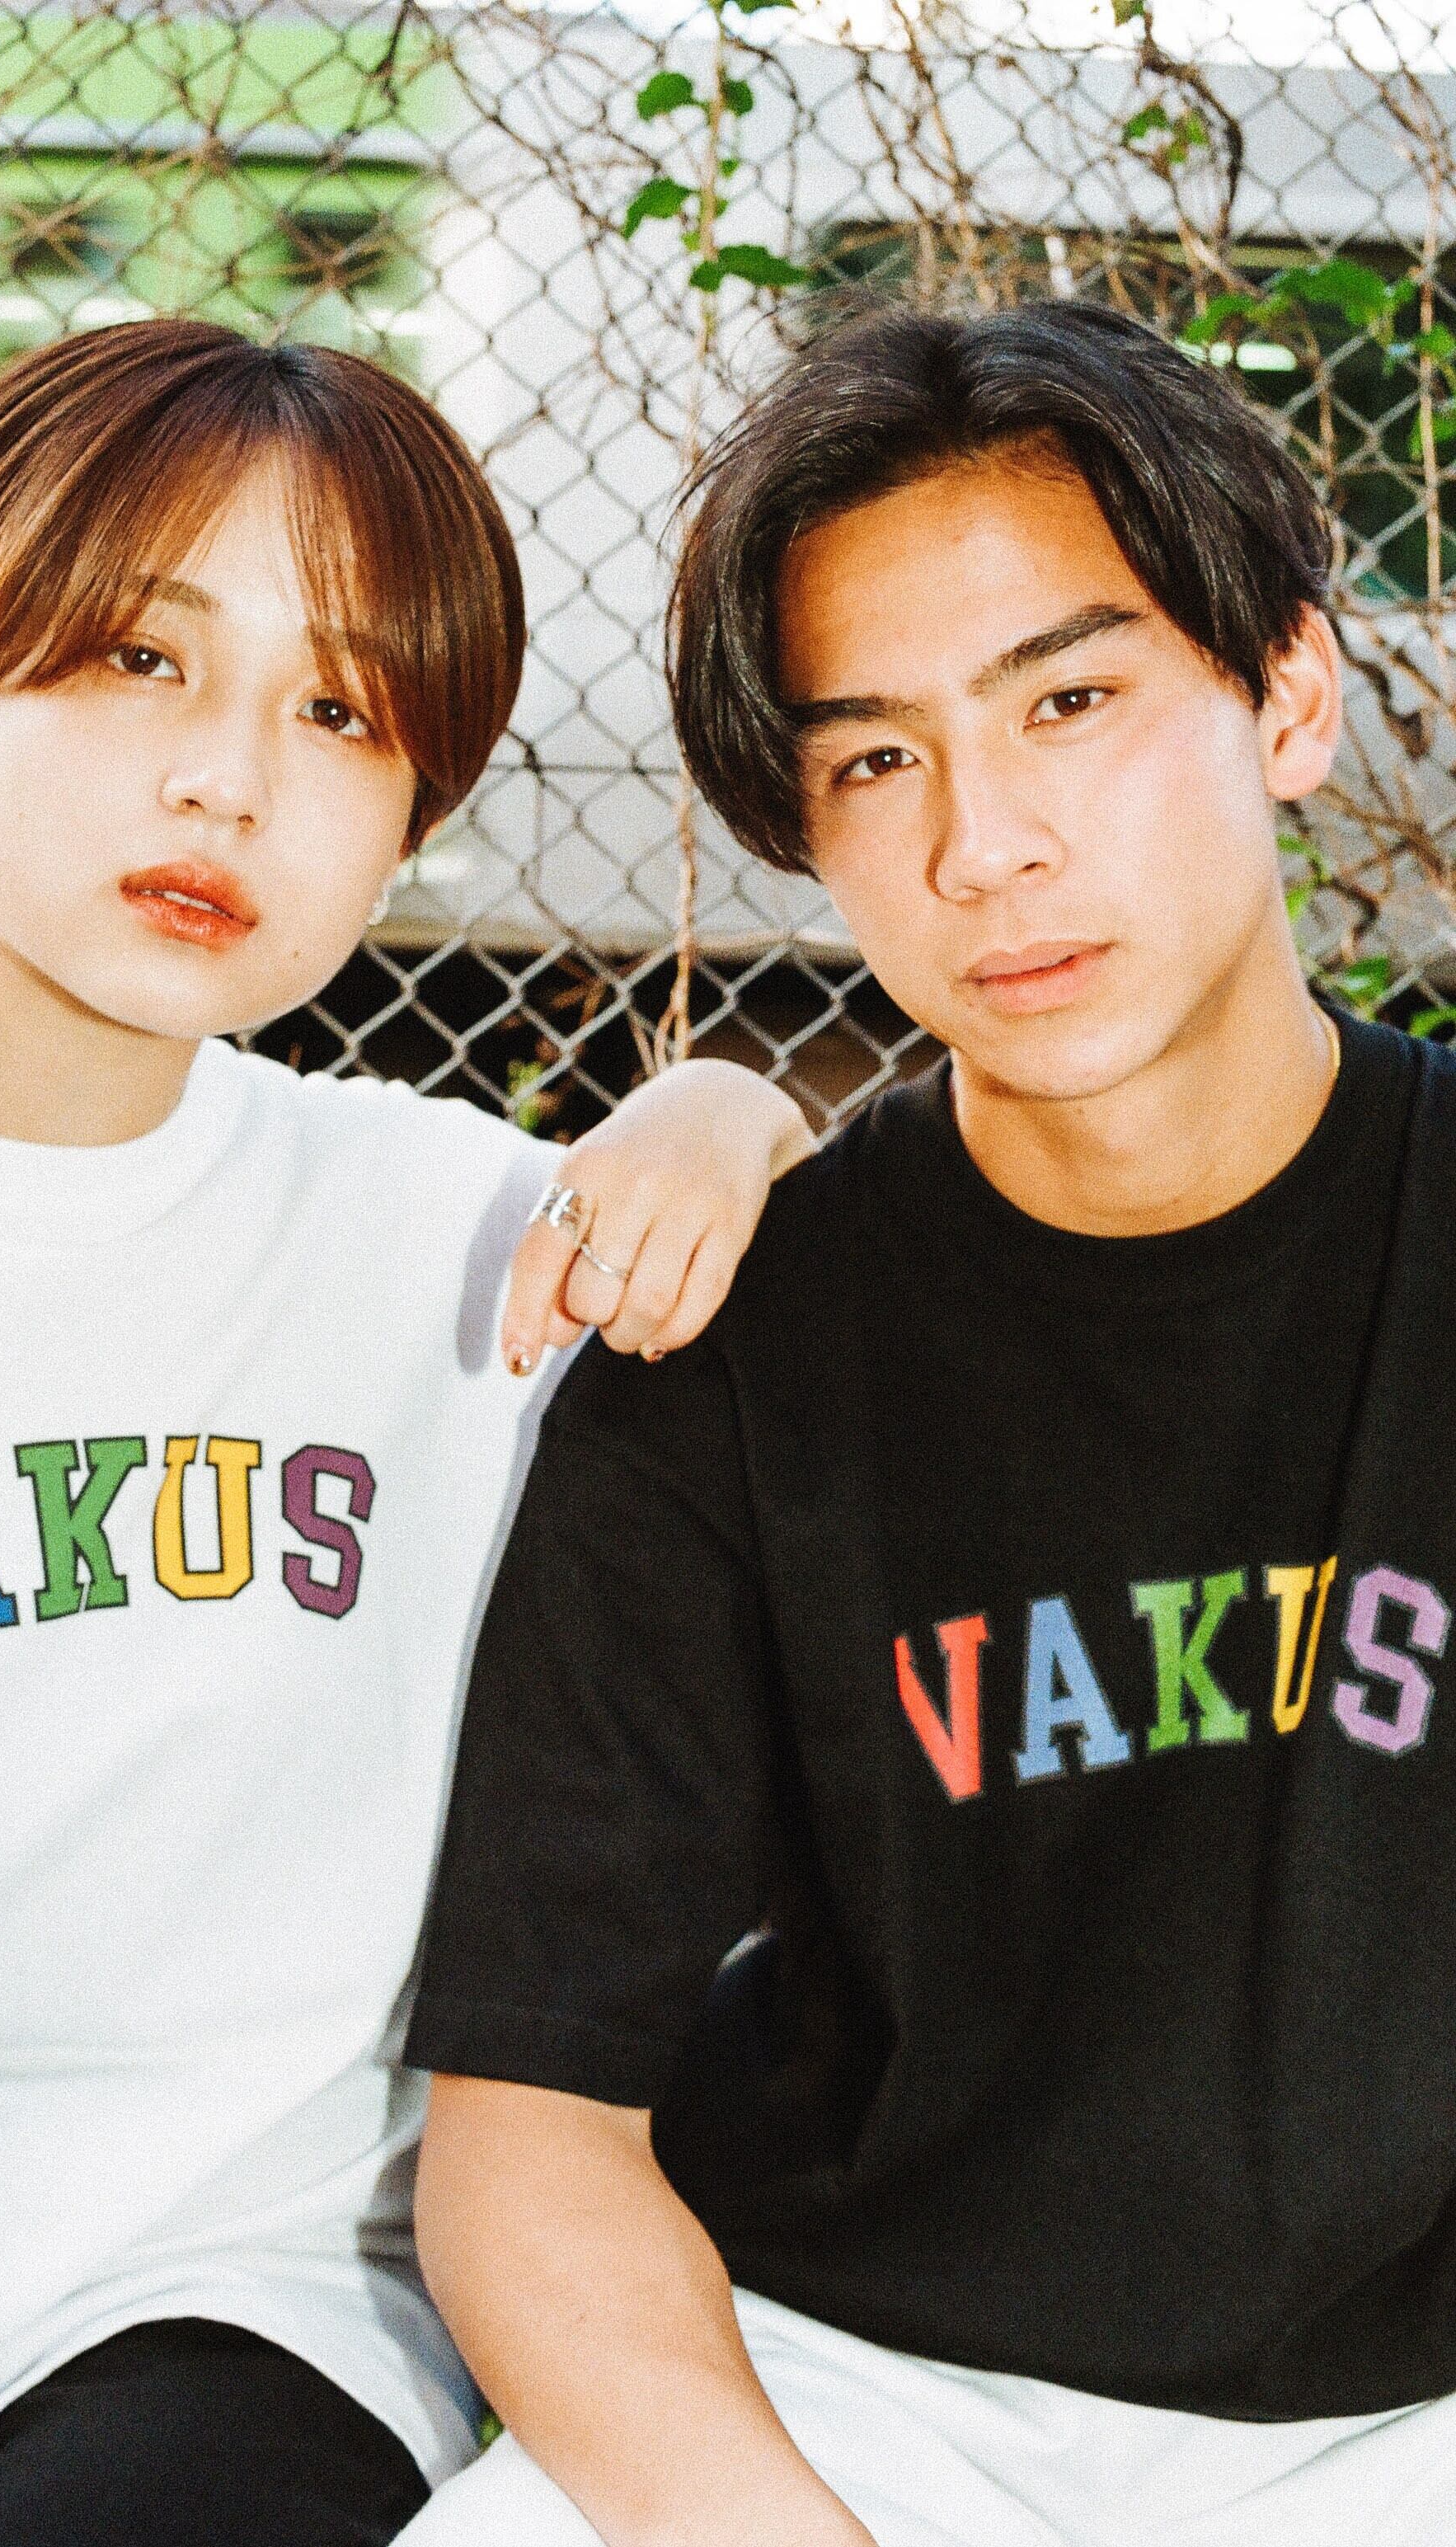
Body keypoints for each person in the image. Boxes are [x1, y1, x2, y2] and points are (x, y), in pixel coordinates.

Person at [401, 298, 1456, 2547]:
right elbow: (528, 2137)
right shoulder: (734, 1341)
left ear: (1288, 693)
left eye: (1069, 702)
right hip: (857, 2395)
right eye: (878, 760)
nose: (986, 846)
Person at [0, 316, 813, 2547]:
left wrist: (737, 1111)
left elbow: (889, 1328)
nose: (228, 781)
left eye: (339, 712)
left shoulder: (458, 1239)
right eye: (143, 659)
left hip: (224, 2311)